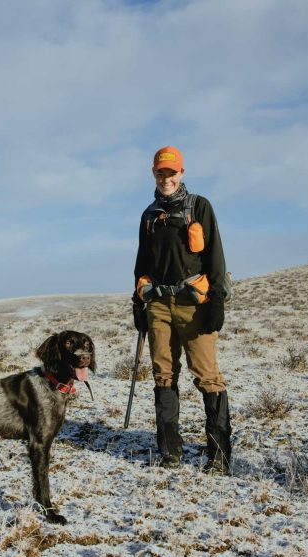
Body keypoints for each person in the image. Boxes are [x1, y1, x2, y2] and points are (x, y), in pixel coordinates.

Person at [132, 145, 231, 474]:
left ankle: (219, 456)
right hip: (158, 303)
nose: (166, 178)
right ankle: (170, 452)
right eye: (161, 173)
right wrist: (138, 303)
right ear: (154, 174)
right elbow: (141, 262)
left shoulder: (200, 206)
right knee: (163, 375)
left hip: (195, 304)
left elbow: (215, 255)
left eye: (171, 173)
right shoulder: (149, 215)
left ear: (181, 174)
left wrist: (216, 299)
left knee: (207, 376)